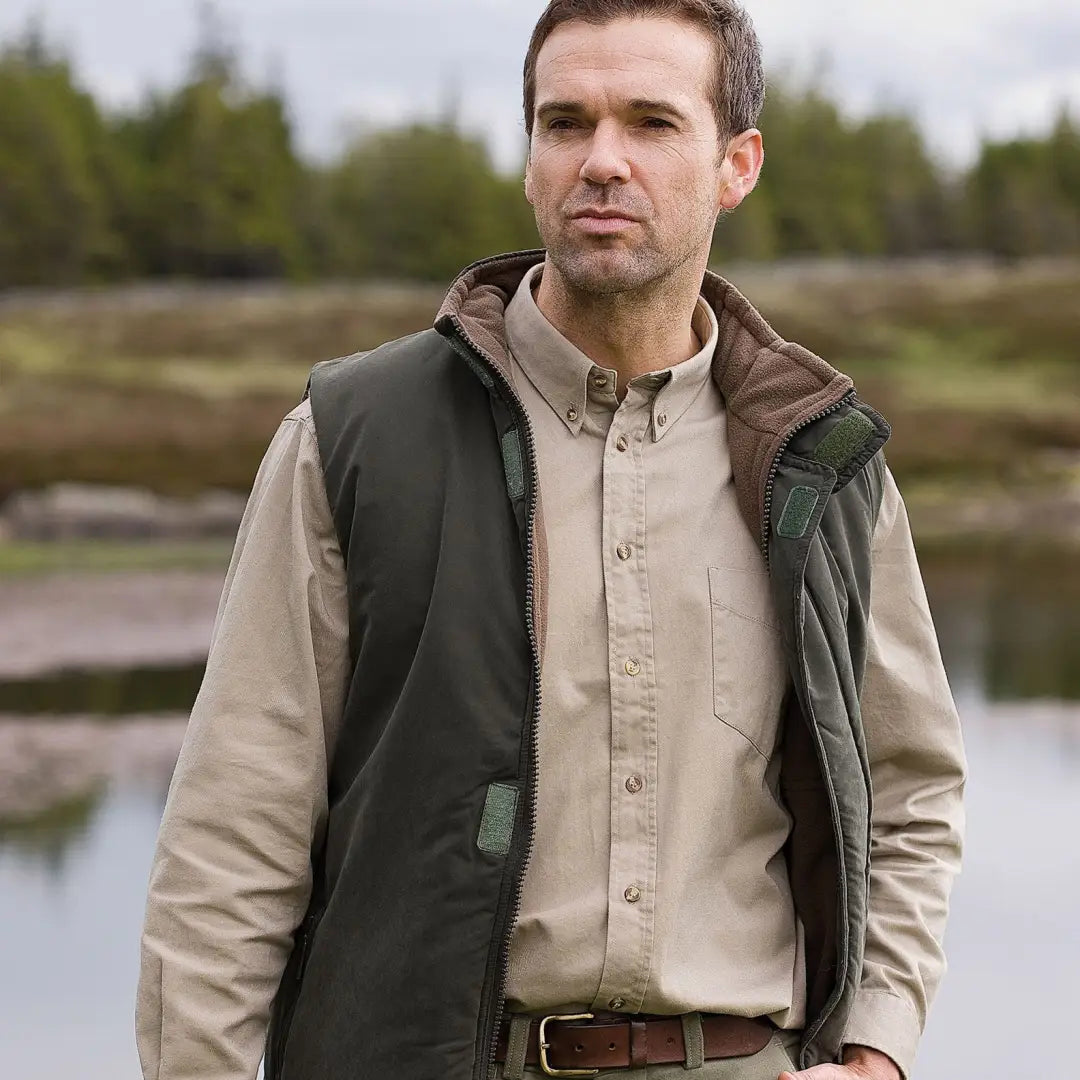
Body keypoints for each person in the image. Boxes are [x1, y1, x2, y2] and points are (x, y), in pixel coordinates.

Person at [136, 2, 966, 1079]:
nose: (602, 162)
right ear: (529, 157)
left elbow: (911, 788)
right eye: (565, 122)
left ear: (737, 164)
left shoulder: (821, 463)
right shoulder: (352, 439)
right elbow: (229, 834)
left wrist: (876, 1050)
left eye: (652, 124)